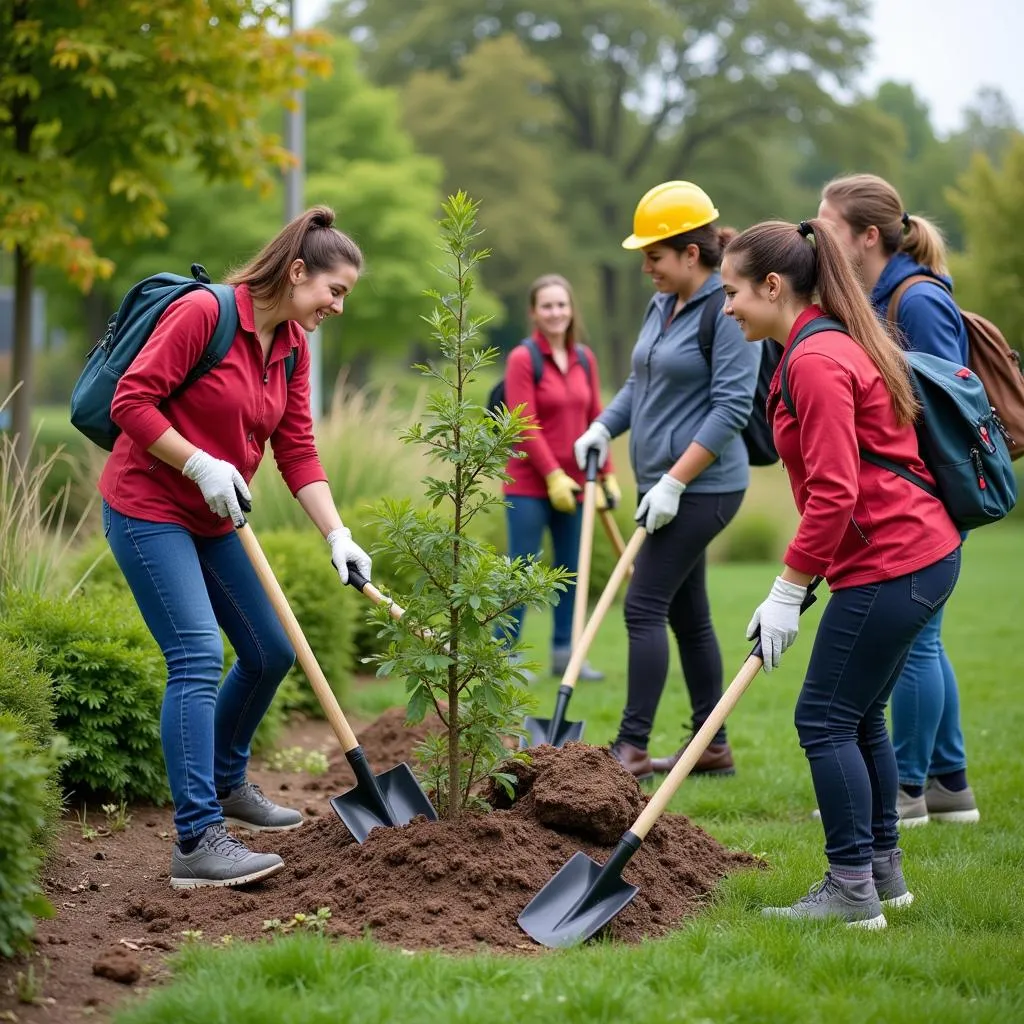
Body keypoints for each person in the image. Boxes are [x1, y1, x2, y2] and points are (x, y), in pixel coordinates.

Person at [99, 206, 374, 889]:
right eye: (334, 291)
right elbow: (132, 402)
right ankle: (196, 841)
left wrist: (337, 532)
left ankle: (226, 783)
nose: (338, 306)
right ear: (298, 270)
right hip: (148, 506)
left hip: (216, 518)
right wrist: (197, 461)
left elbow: (298, 449)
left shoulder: (293, 346)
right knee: (196, 654)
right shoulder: (204, 314)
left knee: (269, 651)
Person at [720, 217, 962, 927]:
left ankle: (850, 890)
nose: (726, 306)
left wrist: (786, 592)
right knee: (858, 718)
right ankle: (882, 875)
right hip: (913, 554)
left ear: (772, 285)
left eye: (733, 291)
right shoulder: (817, 344)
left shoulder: (816, 361)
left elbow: (835, 491)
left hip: (896, 559)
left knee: (823, 720)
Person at [573, 181, 760, 780]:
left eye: (653, 255)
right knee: (688, 615)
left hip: (705, 490)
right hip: (662, 485)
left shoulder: (726, 311)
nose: (646, 267)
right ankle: (713, 743)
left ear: (690, 253)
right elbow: (641, 382)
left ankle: (630, 746)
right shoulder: (662, 305)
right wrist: (603, 427)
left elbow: (731, 407)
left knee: (643, 606)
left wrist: (676, 482)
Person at [817, 173, 980, 827]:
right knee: (925, 644)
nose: (816, 235)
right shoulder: (882, 295)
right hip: (919, 496)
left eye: (827, 225)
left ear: (866, 236)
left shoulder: (913, 302)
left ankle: (908, 789)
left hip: (927, 498)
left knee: (916, 646)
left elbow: (949, 402)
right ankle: (950, 785)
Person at [500, 274, 620, 681]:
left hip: (579, 482)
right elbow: (524, 423)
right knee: (523, 568)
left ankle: (566, 654)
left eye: (562, 305)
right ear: (534, 312)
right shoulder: (523, 358)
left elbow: (595, 418)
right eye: (547, 306)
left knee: (571, 569)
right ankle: (506, 655)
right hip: (530, 484)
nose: (555, 313)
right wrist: (552, 475)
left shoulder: (585, 358)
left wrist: (606, 475)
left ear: (572, 310)